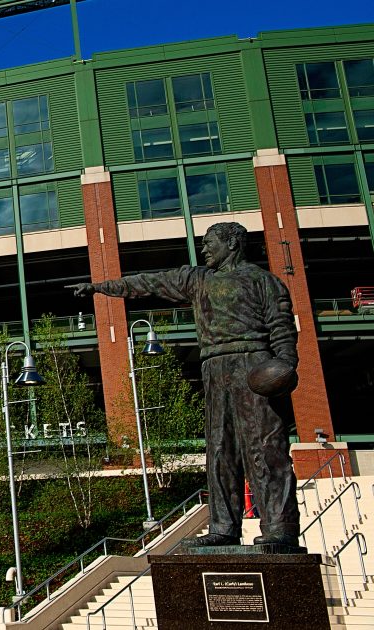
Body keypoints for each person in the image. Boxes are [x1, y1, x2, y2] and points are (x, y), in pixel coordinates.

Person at [69, 221, 300, 547]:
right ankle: (223, 527)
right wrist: (99, 287)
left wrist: (286, 365)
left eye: (209, 243)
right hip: (215, 367)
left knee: (265, 449)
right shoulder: (198, 279)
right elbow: (149, 282)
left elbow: (281, 326)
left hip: (254, 364)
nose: (203, 249)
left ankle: (280, 529)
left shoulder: (263, 281)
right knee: (219, 450)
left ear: (231, 244)